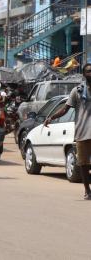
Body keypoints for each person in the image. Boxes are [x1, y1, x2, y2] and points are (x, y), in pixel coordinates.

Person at [44, 63, 91, 200]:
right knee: (83, 164)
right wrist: (51, 117)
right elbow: (65, 109)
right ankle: (87, 190)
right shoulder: (77, 91)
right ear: (83, 74)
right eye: (88, 71)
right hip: (83, 132)